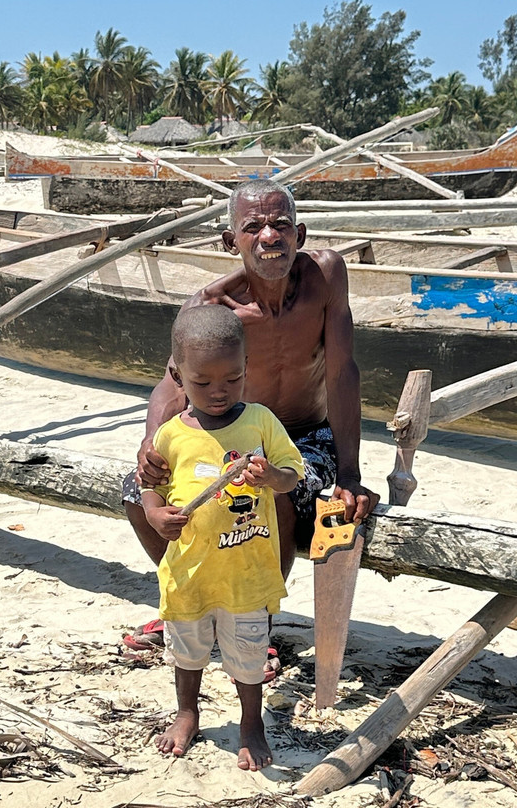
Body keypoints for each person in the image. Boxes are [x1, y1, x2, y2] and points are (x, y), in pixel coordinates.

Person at [123, 178, 378, 653]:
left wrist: (350, 473)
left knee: (269, 490)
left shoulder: (325, 276)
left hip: (307, 437)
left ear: (299, 235)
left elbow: (343, 372)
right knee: (136, 496)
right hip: (234, 437)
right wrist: (152, 444)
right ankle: (188, 601)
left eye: (281, 224)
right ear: (230, 241)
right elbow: (172, 382)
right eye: (253, 226)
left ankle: (256, 622)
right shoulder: (211, 308)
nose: (269, 236)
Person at [143, 304, 304, 770]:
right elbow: (149, 488)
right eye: (203, 382)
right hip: (190, 572)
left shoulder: (259, 421)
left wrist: (271, 475)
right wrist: (156, 516)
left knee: (249, 657)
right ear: (177, 375)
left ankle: (251, 721)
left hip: (246, 573)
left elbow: (293, 475)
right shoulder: (171, 435)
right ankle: (187, 712)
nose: (219, 392)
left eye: (232, 380)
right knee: (187, 651)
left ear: (246, 368)